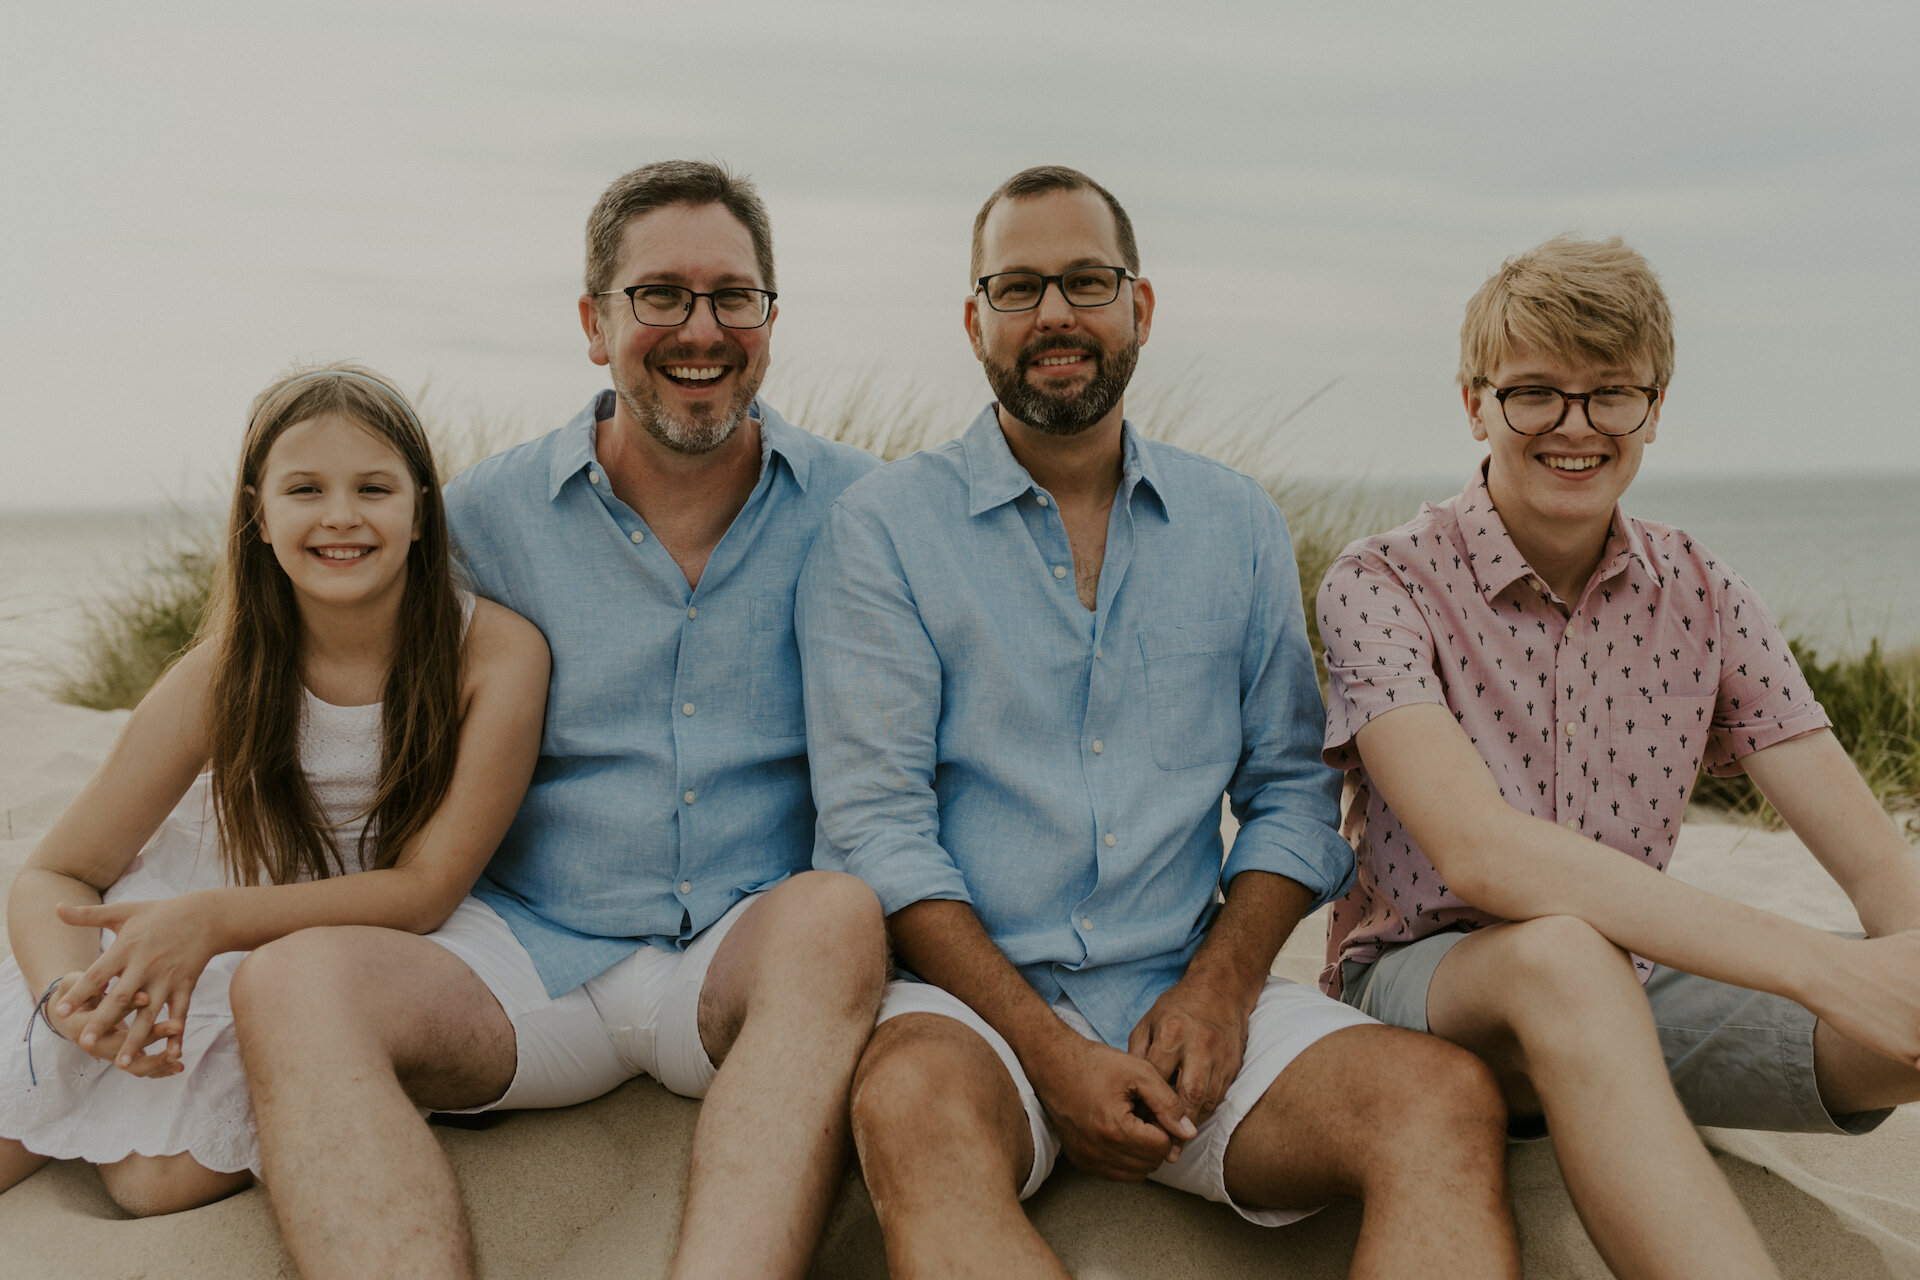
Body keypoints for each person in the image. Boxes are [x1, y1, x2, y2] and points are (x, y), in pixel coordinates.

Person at [797, 165, 1520, 1279]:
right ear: (973, 319)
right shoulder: (882, 529)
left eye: (1087, 281)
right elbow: (877, 829)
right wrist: (1047, 1050)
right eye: (1019, 286)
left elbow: (1289, 789)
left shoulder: (1235, 522)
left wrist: (1223, 986)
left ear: (1141, 304)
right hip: (972, 1016)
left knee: (1443, 1102)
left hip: (1185, 995)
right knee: (912, 1113)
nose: (1055, 316)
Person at [229, 161, 888, 1280]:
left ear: (771, 321)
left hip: (745, 962)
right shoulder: (480, 516)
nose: (701, 327)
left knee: (835, 912)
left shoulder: (869, 511)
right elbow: (288, 652)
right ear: (595, 321)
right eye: (660, 295)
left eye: (734, 296)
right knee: (288, 981)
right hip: (524, 956)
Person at [1317, 235, 1920, 1280]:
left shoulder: (1705, 591)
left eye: (1611, 395)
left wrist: (1901, 963)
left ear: (1655, 407)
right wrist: (1830, 969)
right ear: (1475, 404)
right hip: (1430, 990)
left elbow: (1877, 866)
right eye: (1535, 392)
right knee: (1561, 952)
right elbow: (1481, 853)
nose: (1575, 425)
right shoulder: (1383, 583)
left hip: (1637, 995)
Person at [0, 364, 548, 1217]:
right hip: (185, 907)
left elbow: (427, 889)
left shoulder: (497, 653)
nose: (340, 515)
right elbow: (54, 875)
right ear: (259, 516)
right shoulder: (224, 671)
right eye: (304, 489)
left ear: (420, 511)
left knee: (157, 1183)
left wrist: (212, 924)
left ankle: (91, 1113)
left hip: (339, 934)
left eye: (373, 487)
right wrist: (72, 1001)